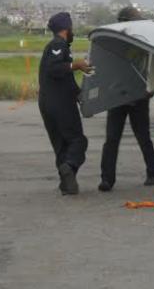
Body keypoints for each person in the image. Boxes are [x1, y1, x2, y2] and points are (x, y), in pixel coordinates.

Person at [99, 7, 154, 192]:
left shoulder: (143, 42)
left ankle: (152, 171)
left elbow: (151, 67)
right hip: (117, 96)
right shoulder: (113, 42)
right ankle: (107, 179)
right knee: (112, 139)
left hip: (138, 96)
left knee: (143, 137)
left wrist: (150, 89)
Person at [38, 12, 92, 195]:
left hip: (47, 103)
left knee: (61, 145)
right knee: (78, 141)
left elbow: (65, 79)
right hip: (60, 104)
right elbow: (54, 69)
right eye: (71, 28)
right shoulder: (57, 44)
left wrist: (79, 94)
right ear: (65, 29)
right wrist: (75, 65)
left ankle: (67, 185)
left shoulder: (58, 46)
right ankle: (69, 167)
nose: (72, 32)